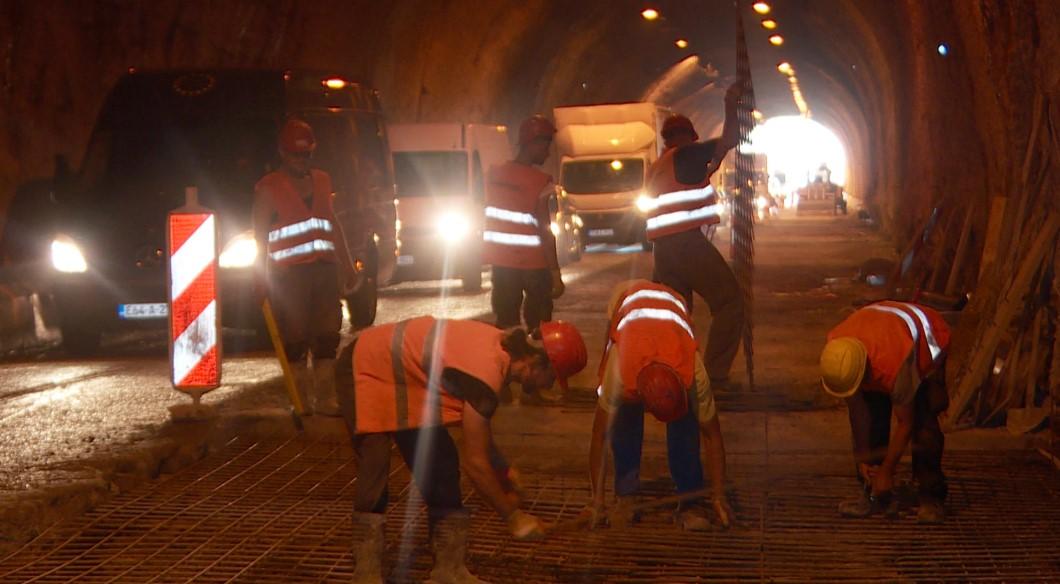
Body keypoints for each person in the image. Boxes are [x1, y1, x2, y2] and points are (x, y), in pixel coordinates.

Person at [337, 317, 587, 583]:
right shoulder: (486, 373)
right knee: (374, 469)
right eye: (552, 378)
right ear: (536, 362)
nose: (548, 386)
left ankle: (449, 571)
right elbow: (475, 463)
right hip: (364, 365)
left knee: (441, 466)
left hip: (406, 379)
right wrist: (512, 517)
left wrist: (502, 470)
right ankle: (366, 574)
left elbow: (478, 433)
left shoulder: (500, 351)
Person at [586, 280, 732, 531]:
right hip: (625, 298)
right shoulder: (620, 371)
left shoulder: (693, 372)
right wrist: (596, 502)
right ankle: (626, 493)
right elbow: (600, 435)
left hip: (673, 308)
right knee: (623, 418)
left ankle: (689, 498)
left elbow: (712, 435)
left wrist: (719, 497)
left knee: (685, 423)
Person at [644, 81, 747, 390]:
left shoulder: (661, 166)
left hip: (663, 252)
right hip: (686, 245)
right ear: (690, 137)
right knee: (730, 303)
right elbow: (732, 138)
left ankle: (671, 372)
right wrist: (731, 104)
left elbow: (695, 179)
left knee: (675, 315)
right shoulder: (687, 154)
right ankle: (715, 376)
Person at [253, 118, 352, 415]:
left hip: (323, 271)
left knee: (326, 336)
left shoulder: (322, 180)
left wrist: (347, 264)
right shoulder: (269, 188)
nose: (301, 160)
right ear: (283, 154)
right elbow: (259, 237)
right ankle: (299, 401)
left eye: (306, 154)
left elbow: (333, 224)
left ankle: (325, 398)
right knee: (295, 339)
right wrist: (261, 275)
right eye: (296, 155)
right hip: (290, 275)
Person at [820, 300, 951, 524]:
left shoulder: (894, 364)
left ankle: (931, 496)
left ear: (864, 370)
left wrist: (887, 470)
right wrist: (864, 459)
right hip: (882, 339)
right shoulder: (839, 352)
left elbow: (905, 424)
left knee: (924, 423)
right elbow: (859, 412)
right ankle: (873, 493)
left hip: (927, 342)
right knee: (872, 416)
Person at [482, 115, 565, 334]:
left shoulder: (493, 174)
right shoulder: (539, 181)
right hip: (534, 265)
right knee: (540, 327)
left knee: (506, 326)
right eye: (546, 146)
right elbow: (545, 231)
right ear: (534, 143)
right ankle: (538, 364)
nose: (547, 153)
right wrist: (555, 271)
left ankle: (509, 364)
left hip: (501, 264)